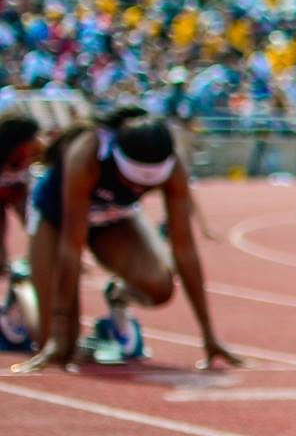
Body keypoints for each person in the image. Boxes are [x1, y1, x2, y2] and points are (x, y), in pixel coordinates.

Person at [13, 107, 242, 374]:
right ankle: (23, 289)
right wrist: (58, 326)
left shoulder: (172, 166)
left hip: (112, 220)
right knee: (58, 349)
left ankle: (117, 299)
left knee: (159, 287)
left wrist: (208, 334)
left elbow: (185, 249)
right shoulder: (87, 153)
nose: (136, 189)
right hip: (57, 219)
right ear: (117, 157)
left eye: (145, 184)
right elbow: (71, 248)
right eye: (131, 179)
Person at [1, 115, 44, 352]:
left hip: (14, 192)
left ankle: (12, 311)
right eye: (33, 138)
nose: (38, 141)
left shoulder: (33, 152)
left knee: (37, 231)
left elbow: (28, 210)